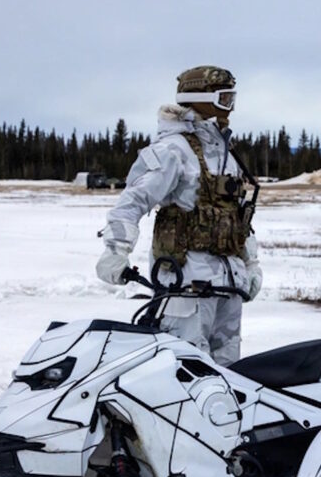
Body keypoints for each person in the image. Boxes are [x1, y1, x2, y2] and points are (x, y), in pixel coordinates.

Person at [96, 65, 263, 365]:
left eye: (232, 98)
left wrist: (251, 265)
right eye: (224, 98)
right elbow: (131, 202)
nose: (230, 107)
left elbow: (237, 219)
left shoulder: (225, 152)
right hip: (186, 287)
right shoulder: (173, 150)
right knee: (186, 378)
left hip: (228, 287)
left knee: (231, 380)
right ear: (200, 98)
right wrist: (115, 252)